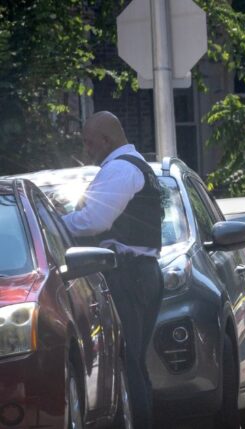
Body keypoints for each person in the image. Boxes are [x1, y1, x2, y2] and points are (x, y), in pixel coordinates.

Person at [62, 111, 164, 428]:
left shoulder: (120, 169)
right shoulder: (131, 167)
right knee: (133, 361)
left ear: (107, 140)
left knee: (128, 362)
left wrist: (52, 226)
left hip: (127, 275)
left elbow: (94, 221)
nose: (86, 149)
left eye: (89, 142)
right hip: (139, 273)